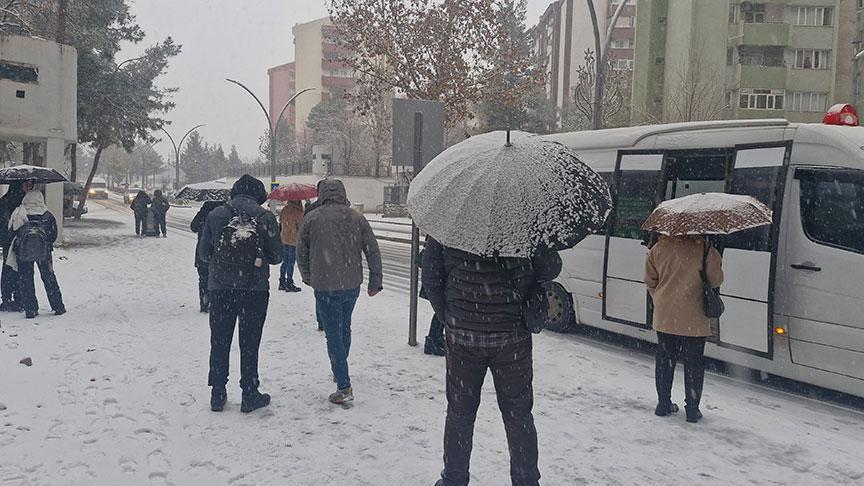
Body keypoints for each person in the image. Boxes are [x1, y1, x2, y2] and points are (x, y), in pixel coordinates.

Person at [422, 237, 562, 486]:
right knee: (518, 413)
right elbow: (550, 268)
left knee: (460, 413)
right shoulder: (523, 217)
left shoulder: (449, 219)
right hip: (513, 338)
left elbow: (431, 277)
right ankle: (526, 480)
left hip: (464, 337)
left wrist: (451, 317)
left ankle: (453, 479)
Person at [198, 175, 282, 413]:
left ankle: (217, 392)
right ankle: (249, 392)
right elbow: (277, 258)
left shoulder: (215, 216)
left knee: (220, 341)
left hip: (221, 289)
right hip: (254, 291)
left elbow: (203, 255)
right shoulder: (265, 217)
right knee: (249, 343)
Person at [297, 179, 383, 405]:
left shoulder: (312, 219)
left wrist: (308, 277)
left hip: (324, 284)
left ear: (322, 194)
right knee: (345, 326)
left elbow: (301, 253)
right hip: (351, 284)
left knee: (333, 332)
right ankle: (340, 367)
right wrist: (375, 280)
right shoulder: (356, 217)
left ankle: (343, 385)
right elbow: (372, 249)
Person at [644, 234, 724, 423]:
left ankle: (663, 404)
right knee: (694, 363)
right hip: (693, 316)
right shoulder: (705, 250)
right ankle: (692, 410)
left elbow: (650, 279)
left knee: (665, 360)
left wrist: (660, 297)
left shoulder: (658, 248)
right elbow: (716, 280)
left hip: (665, 314)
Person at [8, 190, 66, 319]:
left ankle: (30, 309)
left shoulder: (20, 213)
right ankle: (58, 306)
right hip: (44, 252)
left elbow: (13, 231)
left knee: (26, 279)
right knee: (49, 277)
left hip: (24, 253)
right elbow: (53, 234)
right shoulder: (47, 215)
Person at [190, 200, 224, 313]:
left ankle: (204, 302)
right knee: (218, 280)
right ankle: (217, 303)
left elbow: (193, 227)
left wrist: (201, 213)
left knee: (203, 279)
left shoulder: (204, 213)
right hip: (220, 252)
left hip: (203, 251)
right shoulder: (224, 214)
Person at [0, 181, 25, 311]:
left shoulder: (4, 200)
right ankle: (19, 297)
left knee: (7, 268)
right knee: (19, 269)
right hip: (19, 241)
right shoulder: (22, 201)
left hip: (7, 241)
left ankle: (6, 297)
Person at [278, 200, 304, 292]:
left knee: (285, 261)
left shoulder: (284, 209)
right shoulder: (298, 212)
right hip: (294, 240)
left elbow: (280, 222)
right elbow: (301, 227)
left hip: (284, 238)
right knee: (291, 262)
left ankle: (281, 281)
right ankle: (289, 282)